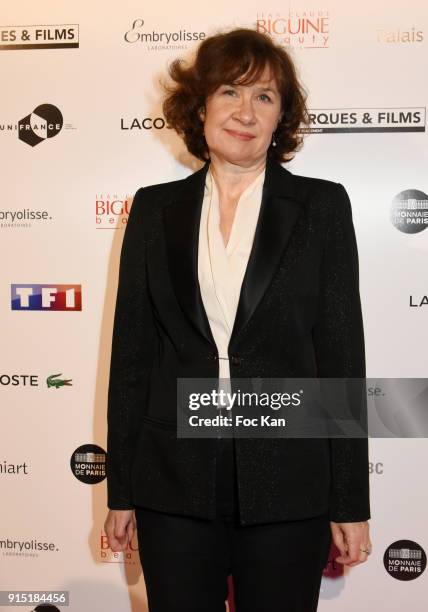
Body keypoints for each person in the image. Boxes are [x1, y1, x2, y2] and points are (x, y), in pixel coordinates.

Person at [104, 27, 372, 612]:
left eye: (265, 97)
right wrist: (121, 489)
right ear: (200, 106)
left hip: (288, 485)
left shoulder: (323, 208)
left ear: (282, 118)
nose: (245, 112)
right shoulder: (153, 210)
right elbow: (131, 359)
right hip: (171, 485)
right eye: (230, 91)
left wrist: (351, 501)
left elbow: (342, 357)